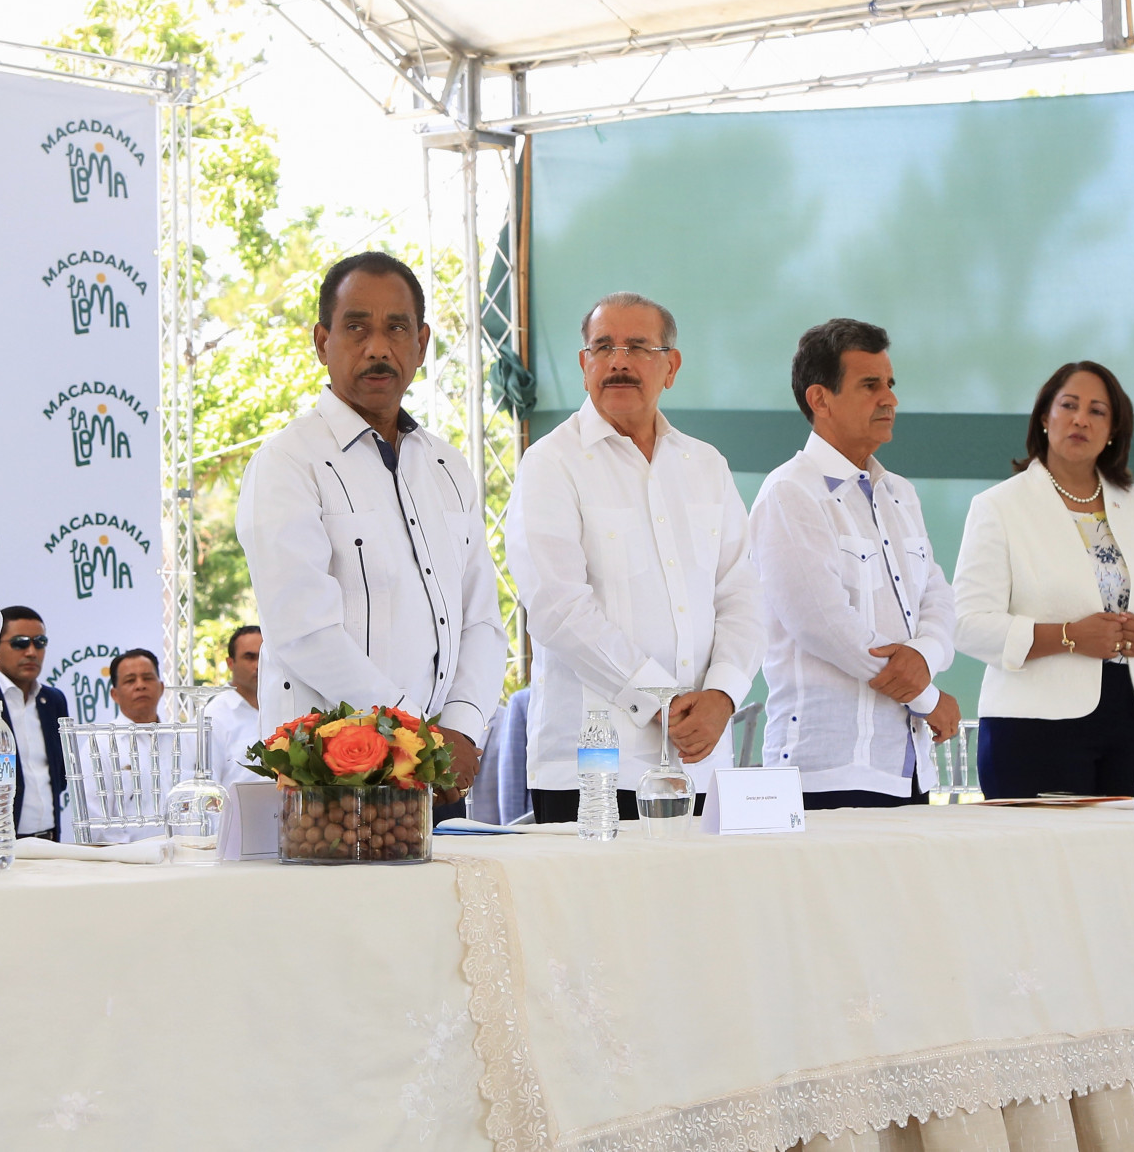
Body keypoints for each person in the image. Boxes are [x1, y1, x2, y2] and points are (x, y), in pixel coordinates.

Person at [235, 251, 507, 802]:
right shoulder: (288, 462)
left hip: (437, 776)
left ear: (422, 345)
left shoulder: (448, 467)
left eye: (397, 328)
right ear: (322, 342)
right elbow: (303, 629)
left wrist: (459, 731)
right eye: (357, 327)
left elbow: (481, 620)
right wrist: (418, 740)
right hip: (325, 780)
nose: (378, 347)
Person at [506, 292, 763, 821]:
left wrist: (722, 695)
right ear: (584, 365)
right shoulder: (551, 463)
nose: (618, 361)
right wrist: (659, 700)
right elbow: (557, 608)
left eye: (639, 347)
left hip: (700, 764)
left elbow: (743, 595)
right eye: (603, 347)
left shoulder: (705, 466)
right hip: (593, 771)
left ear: (671, 366)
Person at [952, 362, 1134, 799]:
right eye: (1069, 405)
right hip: (1033, 727)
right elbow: (967, 623)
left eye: (1097, 411)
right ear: (1044, 418)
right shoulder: (999, 506)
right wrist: (1070, 637)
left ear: (1113, 431)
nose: (1081, 419)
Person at [748, 319, 960, 809]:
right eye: (870, 385)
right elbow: (824, 625)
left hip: (909, 765)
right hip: (825, 769)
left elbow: (938, 597)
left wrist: (925, 657)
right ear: (820, 400)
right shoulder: (789, 493)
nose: (890, 399)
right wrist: (928, 698)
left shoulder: (900, 493)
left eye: (890, 384)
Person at [0, 606, 70, 841]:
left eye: (40, 642)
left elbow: (61, 774)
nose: (32, 652)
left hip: (49, 839)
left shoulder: (53, 700)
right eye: (20, 643)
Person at [69, 649, 169, 843]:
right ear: (115, 694)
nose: (140, 685)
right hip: (127, 858)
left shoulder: (182, 739)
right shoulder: (100, 745)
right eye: (130, 680)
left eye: (147, 678)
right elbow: (94, 822)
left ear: (161, 687)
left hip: (185, 855)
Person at [204, 624, 263, 787]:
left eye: (264, 657)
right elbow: (207, 786)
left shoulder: (284, 707)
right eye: (249, 657)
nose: (258, 665)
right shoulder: (213, 717)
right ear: (230, 663)